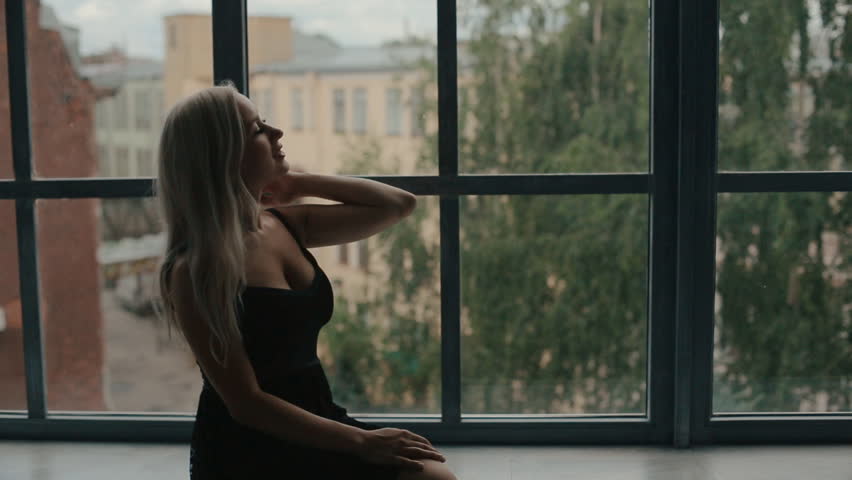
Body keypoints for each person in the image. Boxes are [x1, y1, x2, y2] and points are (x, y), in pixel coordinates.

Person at [154, 81, 458, 480]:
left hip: (319, 420)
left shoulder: (283, 224)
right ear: (223, 155)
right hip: (253, 446)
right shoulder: (194, 270)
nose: (277, 132)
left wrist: (297, 182)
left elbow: (398, 204)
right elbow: (246, 404)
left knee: (432, 473)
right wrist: (364, 442)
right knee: (431, 477)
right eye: (257, 129)